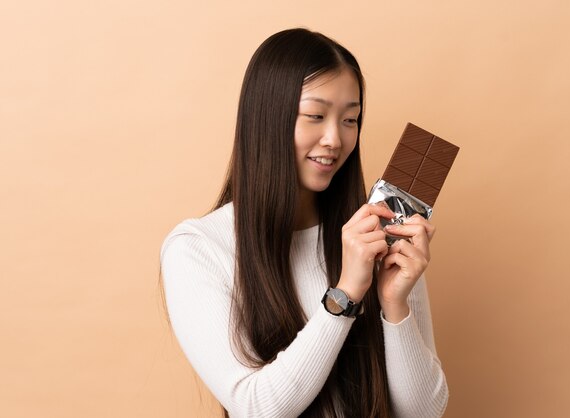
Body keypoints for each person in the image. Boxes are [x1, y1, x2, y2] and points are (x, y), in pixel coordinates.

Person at [160, 28, 448, 418]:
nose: (334, 139)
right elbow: (258, 408)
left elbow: (422, 413)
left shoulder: (375, 235)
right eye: (315, 116)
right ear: (266, 117)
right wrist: (346, 294)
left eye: (351, 119)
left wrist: (394, 302)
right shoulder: (199, 247)